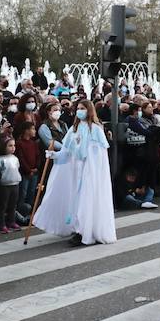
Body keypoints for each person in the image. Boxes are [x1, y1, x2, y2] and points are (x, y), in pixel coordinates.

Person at [37, 99, 115, 246]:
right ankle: (79, 228)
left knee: (87, 200)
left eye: (83, 108)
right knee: (77, 200)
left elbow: (99, 155)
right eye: (78, 108)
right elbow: (67, 151)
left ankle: (85, 231)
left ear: (89, 110)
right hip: (77, 171)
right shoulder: (73, 129)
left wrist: (88, 161)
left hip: (90, 172)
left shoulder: (96, 129)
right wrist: (55, 155)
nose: (79, 111)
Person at [0, 137, 23, 233]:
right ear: (4, 147)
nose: (13, 148)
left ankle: (12, 221)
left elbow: (17, 169)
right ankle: (2, 224)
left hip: (15, 183)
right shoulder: (1, 159)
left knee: (13, 204)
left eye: (14, 145)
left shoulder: (15, 158)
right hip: (5, 185)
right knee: (3, 205)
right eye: (10, 145)